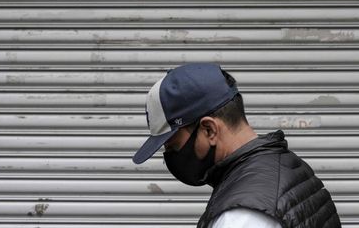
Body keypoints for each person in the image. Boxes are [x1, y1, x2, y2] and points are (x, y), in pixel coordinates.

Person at [133, 63, 341, 228]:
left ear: (209, 130)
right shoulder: (288, 166)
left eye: (171, 145)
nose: (169, 155)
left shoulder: (242, 216)